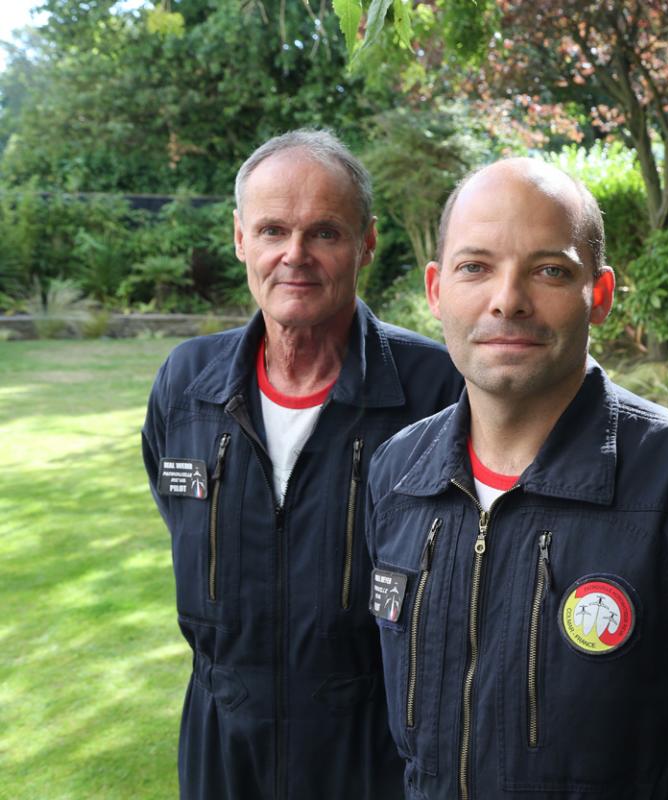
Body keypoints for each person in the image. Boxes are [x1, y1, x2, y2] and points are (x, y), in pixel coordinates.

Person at [364, 158, 668, 799]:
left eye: (549, 270)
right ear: (437, 289)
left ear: (600, 295)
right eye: (476, 267)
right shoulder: (398, 475)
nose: (507, 299)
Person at [141, 129, 462, 799]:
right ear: (239, 240)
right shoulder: (186, 385)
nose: (294, 255)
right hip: (220, 745)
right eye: (272, 230)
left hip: (373, 751)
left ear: (366, 243)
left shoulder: (435, 391)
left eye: (324, 233)